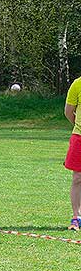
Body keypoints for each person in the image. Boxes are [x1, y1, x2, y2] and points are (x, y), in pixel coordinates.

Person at [64, 77, 81, 230]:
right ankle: (76, 218)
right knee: (77, 177)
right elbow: (69, 112)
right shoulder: (77, 84)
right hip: (79, 137)